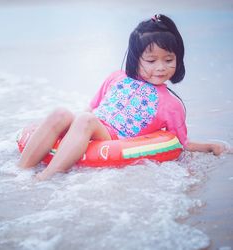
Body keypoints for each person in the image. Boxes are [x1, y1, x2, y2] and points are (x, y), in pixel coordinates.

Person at [18, 14, 226, 181]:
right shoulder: (117, 77)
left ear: (178, 59)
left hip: (113, 137)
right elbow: (92, 108)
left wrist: (209, 146)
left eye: (169, 59)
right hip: (94, 123)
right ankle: (20, 170)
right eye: (152, 60)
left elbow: (181, 143)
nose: (161, 67)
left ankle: (46, 177)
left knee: (85, 120)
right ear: (136, 59)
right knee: (60, 113)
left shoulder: (171, 104)